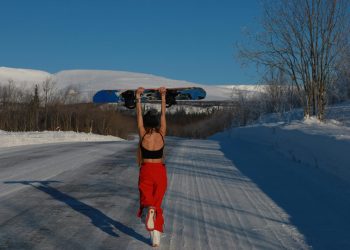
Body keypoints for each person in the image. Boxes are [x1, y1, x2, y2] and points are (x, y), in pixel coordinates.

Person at [136, 87, 167, 247]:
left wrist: (138, 98)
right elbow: (164, 115)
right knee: (156, 203)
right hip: (160, 172)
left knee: (147, 203)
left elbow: (139, 116)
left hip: (146, 170)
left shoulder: (143, 134)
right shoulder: (162, 133)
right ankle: (156, 239)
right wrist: (163, 97)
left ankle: (150, 216)